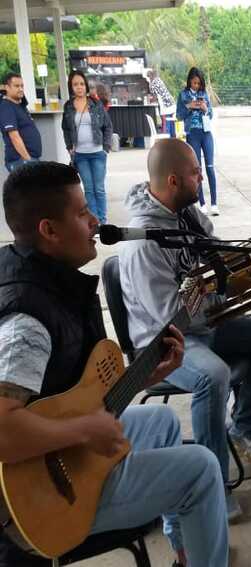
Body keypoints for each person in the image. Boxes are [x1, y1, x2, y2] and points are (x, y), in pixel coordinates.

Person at [0, 162, 228, 567]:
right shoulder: (27, 321)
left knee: (163, 423)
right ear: (49, 231)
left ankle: (183, 548)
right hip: (45, 500)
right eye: (82, 211)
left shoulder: (50, 278)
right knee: (202, 469)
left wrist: (144, 377)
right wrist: (84, 429)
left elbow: (69, 390)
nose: (95, 221)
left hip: (65, 448)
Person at [119, 139, 251, 520]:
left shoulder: (186, 213)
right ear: (174, 180)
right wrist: (217, 300)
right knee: (214, 375)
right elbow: (169, 318)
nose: (201, 177)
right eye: (195, 172)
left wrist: (244, 270)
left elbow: (217, 253)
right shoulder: (142, 243)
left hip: (201, 323)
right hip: (166, 340)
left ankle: (246, 427)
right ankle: (214, 485)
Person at [61, 71, 113, 224]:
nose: (79, 87)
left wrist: (106, 147)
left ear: (86, 86)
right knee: (88, 190)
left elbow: (108, 126)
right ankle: (94, 222)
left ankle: (103, 222)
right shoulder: (68, 106)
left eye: (81, 84)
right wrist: (69, 146)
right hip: (80, 155)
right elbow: (65, 128)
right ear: (71, 87)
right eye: (75, 84)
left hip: (98, 152)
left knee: (99, 189)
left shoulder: (95, 104)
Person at [176, 67, 218, 216]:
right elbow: (179, 116)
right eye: (194, 83)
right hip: (192, 134)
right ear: (189, 81)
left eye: (199, 84)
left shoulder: (204, 94)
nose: (196, 86)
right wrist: (189, 107)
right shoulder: (183, 95)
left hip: (206, 133)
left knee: (210, 167)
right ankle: (202, 203)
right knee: (197, 170)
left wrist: (205, 108)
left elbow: (211, 114)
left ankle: (214, 203)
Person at [0, 73, 41, 172]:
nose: (21, 89)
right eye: (17, 86)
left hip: (28, 159)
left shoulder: (20, 106)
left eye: (22, 86)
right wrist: (28, 159)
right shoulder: (6, 107)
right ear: (7, 87)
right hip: (21, 161)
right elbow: (14, 137)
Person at [147, 68, 176, 134]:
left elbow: (154, 97)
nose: (148, 79)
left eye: (148, 77)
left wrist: (148, 100)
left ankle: (166, 142)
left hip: (165, 106)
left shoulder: (153, 83)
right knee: (172, 126)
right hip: (172, 104)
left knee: (165, 126)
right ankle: (173, 142)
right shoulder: (159, 80)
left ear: (151, 76)